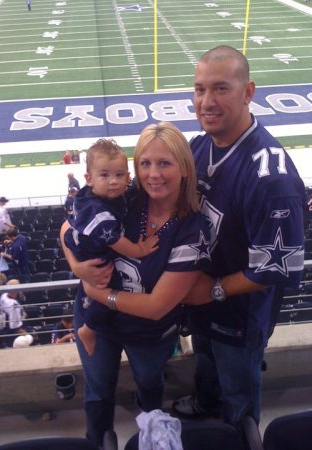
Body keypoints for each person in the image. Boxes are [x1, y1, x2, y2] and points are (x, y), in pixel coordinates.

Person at [169, 45, 306, 426]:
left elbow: (277, 269)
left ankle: (238, 434)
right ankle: (207, 406)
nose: (206, 102)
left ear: (248, 92)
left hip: (237, 313)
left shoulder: (270, 176)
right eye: (199, 90)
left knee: (239, 396)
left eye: (220, 89)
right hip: (204, 301)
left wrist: (212, 290)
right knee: (208, 367)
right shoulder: (200, 146)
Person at [60, 122, 211, 447]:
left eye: (164, 163)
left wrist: (101, 292)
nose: (153, 174)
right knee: (98, 391)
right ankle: (97, 441)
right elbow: (67, 228)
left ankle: (152, 437)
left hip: (147, 332)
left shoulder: (192, 228)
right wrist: (77, 267)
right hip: (97, 321)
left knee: (149, 383)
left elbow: (157, 306)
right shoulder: (124, 197)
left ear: (184, 168)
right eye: (145, 163)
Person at [64, 138, 159, 356]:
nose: (113, 182)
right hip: (93, 254)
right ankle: (89, 329)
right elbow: (119, 243)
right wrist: (140, 250)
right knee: (111, 288)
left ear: (127, 176)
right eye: (104, 175)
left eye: (119, 175)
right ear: (89, 179)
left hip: (80, 237)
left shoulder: (103, 195)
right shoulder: (100, 212)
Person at [0, 278, 28, 346]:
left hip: (6, 329)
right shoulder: (14, 306)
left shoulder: (3, 296)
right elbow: (16, 327)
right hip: (14, 336)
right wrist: (27, 336)